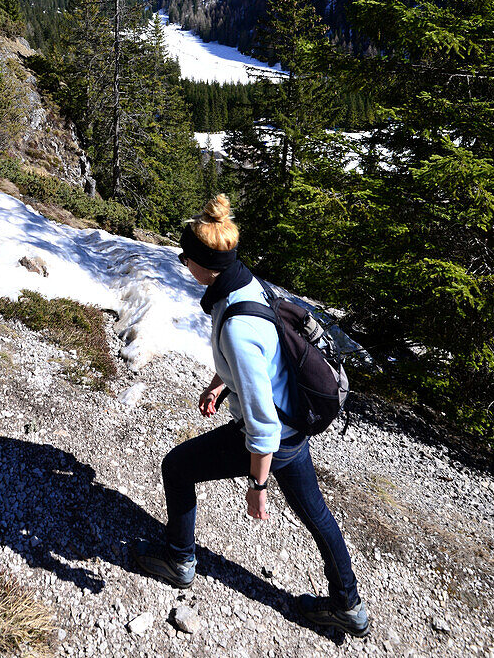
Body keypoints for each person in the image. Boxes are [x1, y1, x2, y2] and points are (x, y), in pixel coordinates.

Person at [132, 194, 369, 638]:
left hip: (273, 436)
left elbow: (262, 425)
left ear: (206, 264)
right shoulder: (246, 285)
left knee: (177, 467)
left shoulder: (236, 325)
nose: (183, 263)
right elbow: (267, 354)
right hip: (295, 429)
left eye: (187, 257)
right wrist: (223, 382)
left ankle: (179, 559)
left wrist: (257, 486)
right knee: (317, 515)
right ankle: (347, 606)